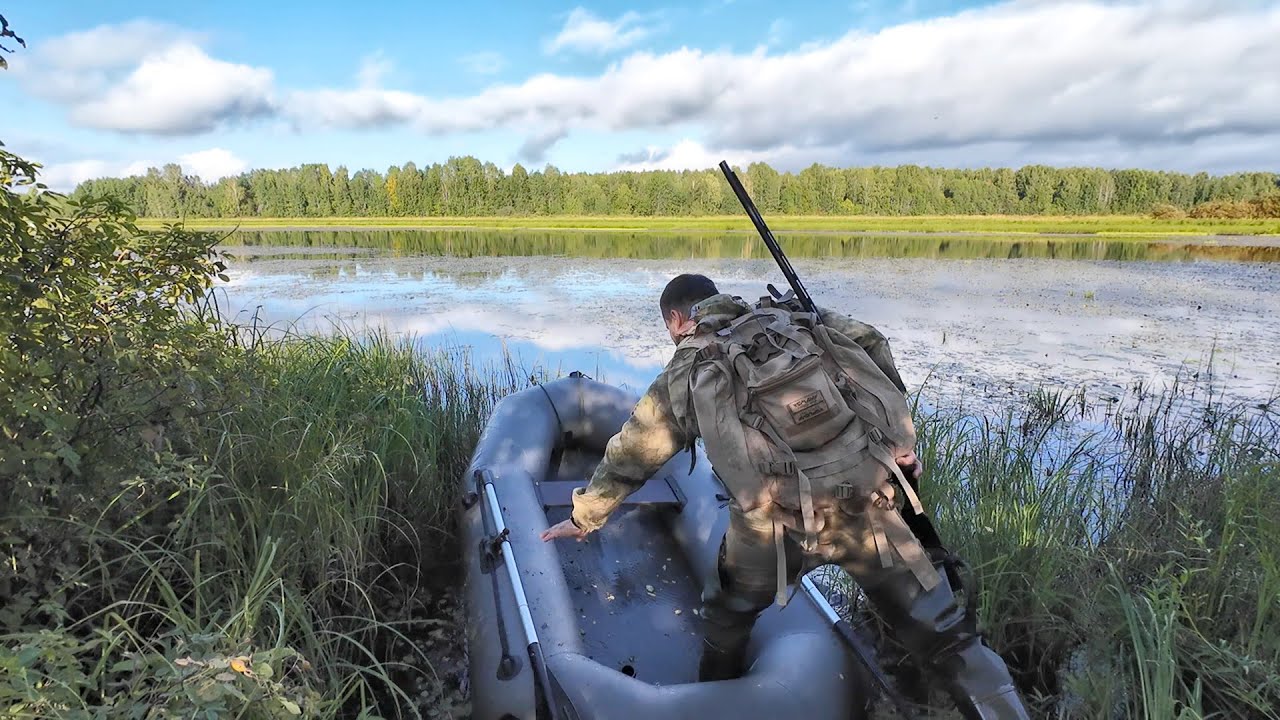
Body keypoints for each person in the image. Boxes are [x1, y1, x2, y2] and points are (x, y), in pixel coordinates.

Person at [540, 274, 1029, 720]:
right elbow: (871, 345)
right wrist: (901, 444)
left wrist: (586, 515)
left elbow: (636, 448)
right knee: (946, 633)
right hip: (867, 503)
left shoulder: (691, 365)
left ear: (676, 319)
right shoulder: (800, 321)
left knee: (727, 616)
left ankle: (717, 700)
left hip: (773, 526)